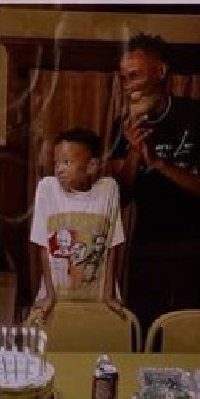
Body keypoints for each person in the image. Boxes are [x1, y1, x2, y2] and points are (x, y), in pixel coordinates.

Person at [107, 33, 200, 332]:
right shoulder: (124, 126)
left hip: (197, 246)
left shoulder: (199, 116)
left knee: (191, 332)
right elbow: (122, 198)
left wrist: (158, 163)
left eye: (135, 75)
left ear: (160, 72)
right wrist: (134, 155)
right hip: (148, 247)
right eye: (124, 78)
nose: (128, 85)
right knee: (145, 329)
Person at [28, 127, 124, 322]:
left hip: (96, 299)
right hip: (56, 298)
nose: (59, 169)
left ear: (91, 166)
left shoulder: (108, 190)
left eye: (67, 162)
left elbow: (112, 246)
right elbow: (43, 246)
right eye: (56, 163)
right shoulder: (48, 188)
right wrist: (50, 295)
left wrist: (108, 294)